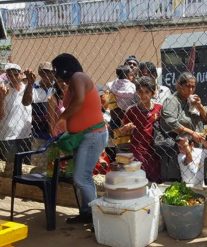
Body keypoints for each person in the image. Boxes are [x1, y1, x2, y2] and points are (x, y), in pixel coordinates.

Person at [51, 53, 108, 224]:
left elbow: (79, 101)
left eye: (57, 70)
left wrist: (61, 119)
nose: (56, 74)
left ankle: (93, 215)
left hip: (92, 135)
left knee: (80, 178)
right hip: (82, 136)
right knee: (84, 176)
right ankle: (87, 212)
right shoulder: (71, 83)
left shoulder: (78, 77)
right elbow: (70, 104)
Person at [160, 72, 207, 181]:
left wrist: (199, 106)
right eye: (188, 86)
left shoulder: (192, 100)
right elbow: (171, 122)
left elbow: (206, 120)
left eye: (193, 86)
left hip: (197, 146)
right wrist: (192, 133)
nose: (191, 90)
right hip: (181, 147)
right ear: (179, 85)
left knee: (199, 176)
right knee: (185, 179)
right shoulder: (172, 101)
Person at [119, 76, 162, 183]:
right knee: (140, 179)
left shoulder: (159, 108)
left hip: (155, 149)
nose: (143, 95)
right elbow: (121, 131)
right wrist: (125, 128)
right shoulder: (132, 111)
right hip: (138, 150)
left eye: (147, 92)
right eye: (140, 92)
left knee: (154, 179)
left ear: (152, 93)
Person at [22, 62, 56, 170]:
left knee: (55, 167)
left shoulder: (58, 87)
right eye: (45, 73)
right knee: (38, 167)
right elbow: (26, 102)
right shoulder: (33, 87)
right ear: (40, 73)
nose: (48, 76)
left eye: (50, 73)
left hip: (57, 136)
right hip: (39, 135)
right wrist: (30, 84)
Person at [0, 63, 32, 176]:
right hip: (8, 136)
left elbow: (28, 102)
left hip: (25, 135)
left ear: (20, 75)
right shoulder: (3, 89)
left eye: (15, 74)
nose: (12, 77)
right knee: (10, 169)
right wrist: (2, 98)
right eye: (9, 75)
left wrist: (30, 83)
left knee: (26, 169)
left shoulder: (28, 89)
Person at [109, 65, 136, 131]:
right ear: (127, 75)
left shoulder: (113, 84)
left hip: (117, 109)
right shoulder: (131, 86)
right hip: (130, 111)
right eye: (131, 74)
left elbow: (110, 86)